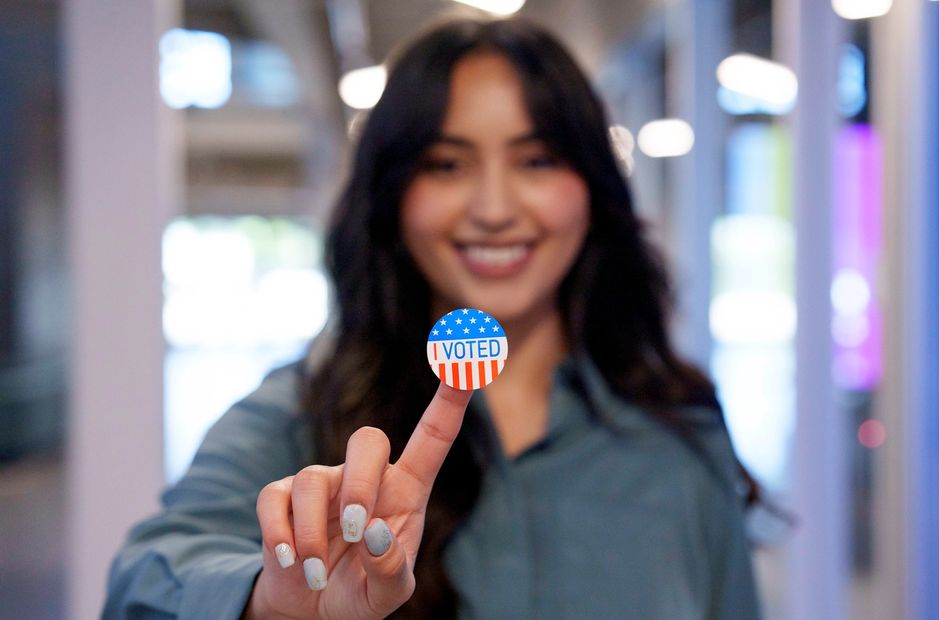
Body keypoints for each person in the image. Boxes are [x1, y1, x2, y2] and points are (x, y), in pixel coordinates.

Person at [105, 15, 760, 620]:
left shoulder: (678, 430)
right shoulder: (300, 414)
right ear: (392, 197)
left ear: (591, 186)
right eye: (446, 165)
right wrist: (265, 604)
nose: (495, 207)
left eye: (537, 160)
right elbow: (143, 583)